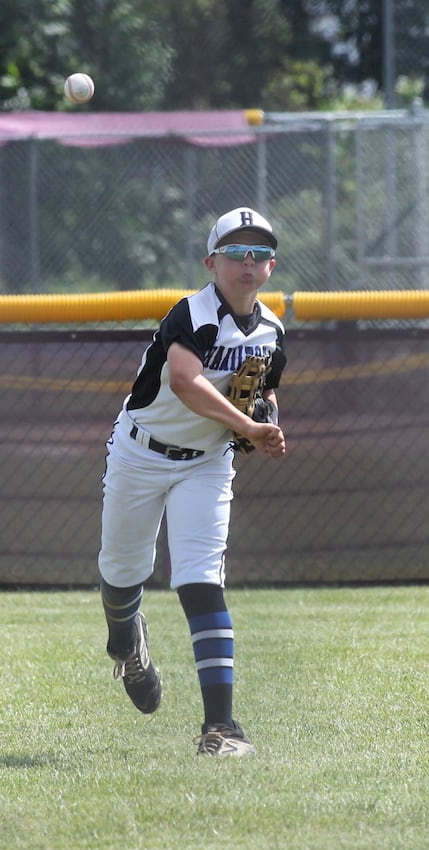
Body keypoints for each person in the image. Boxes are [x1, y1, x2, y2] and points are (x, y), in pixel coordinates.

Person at [98, 207, 287, 757]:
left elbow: (264, 390)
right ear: (211, 262)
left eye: (258, 253)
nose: (246, 262)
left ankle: (221, 729)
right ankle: (126, 640)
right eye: (234, 251)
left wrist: (267, 421)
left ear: (271, 266)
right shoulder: (193, 313)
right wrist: (247, 422)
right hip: (140, 454)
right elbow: (184, 381)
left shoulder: (272, 330)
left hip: (207, 460)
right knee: (121, 573)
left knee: (201, 578)